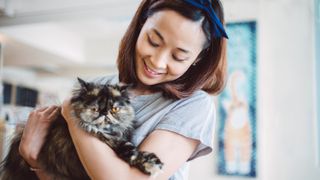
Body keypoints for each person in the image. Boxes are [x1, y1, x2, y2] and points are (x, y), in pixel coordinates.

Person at [18, 0, 228, 179]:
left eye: (178, 56)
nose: (157, 61)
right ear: (140, 25)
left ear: (197, 59)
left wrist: (74, 117)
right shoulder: (97, 84)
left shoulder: (193, 106)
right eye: (153, 41)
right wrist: (34, 160)